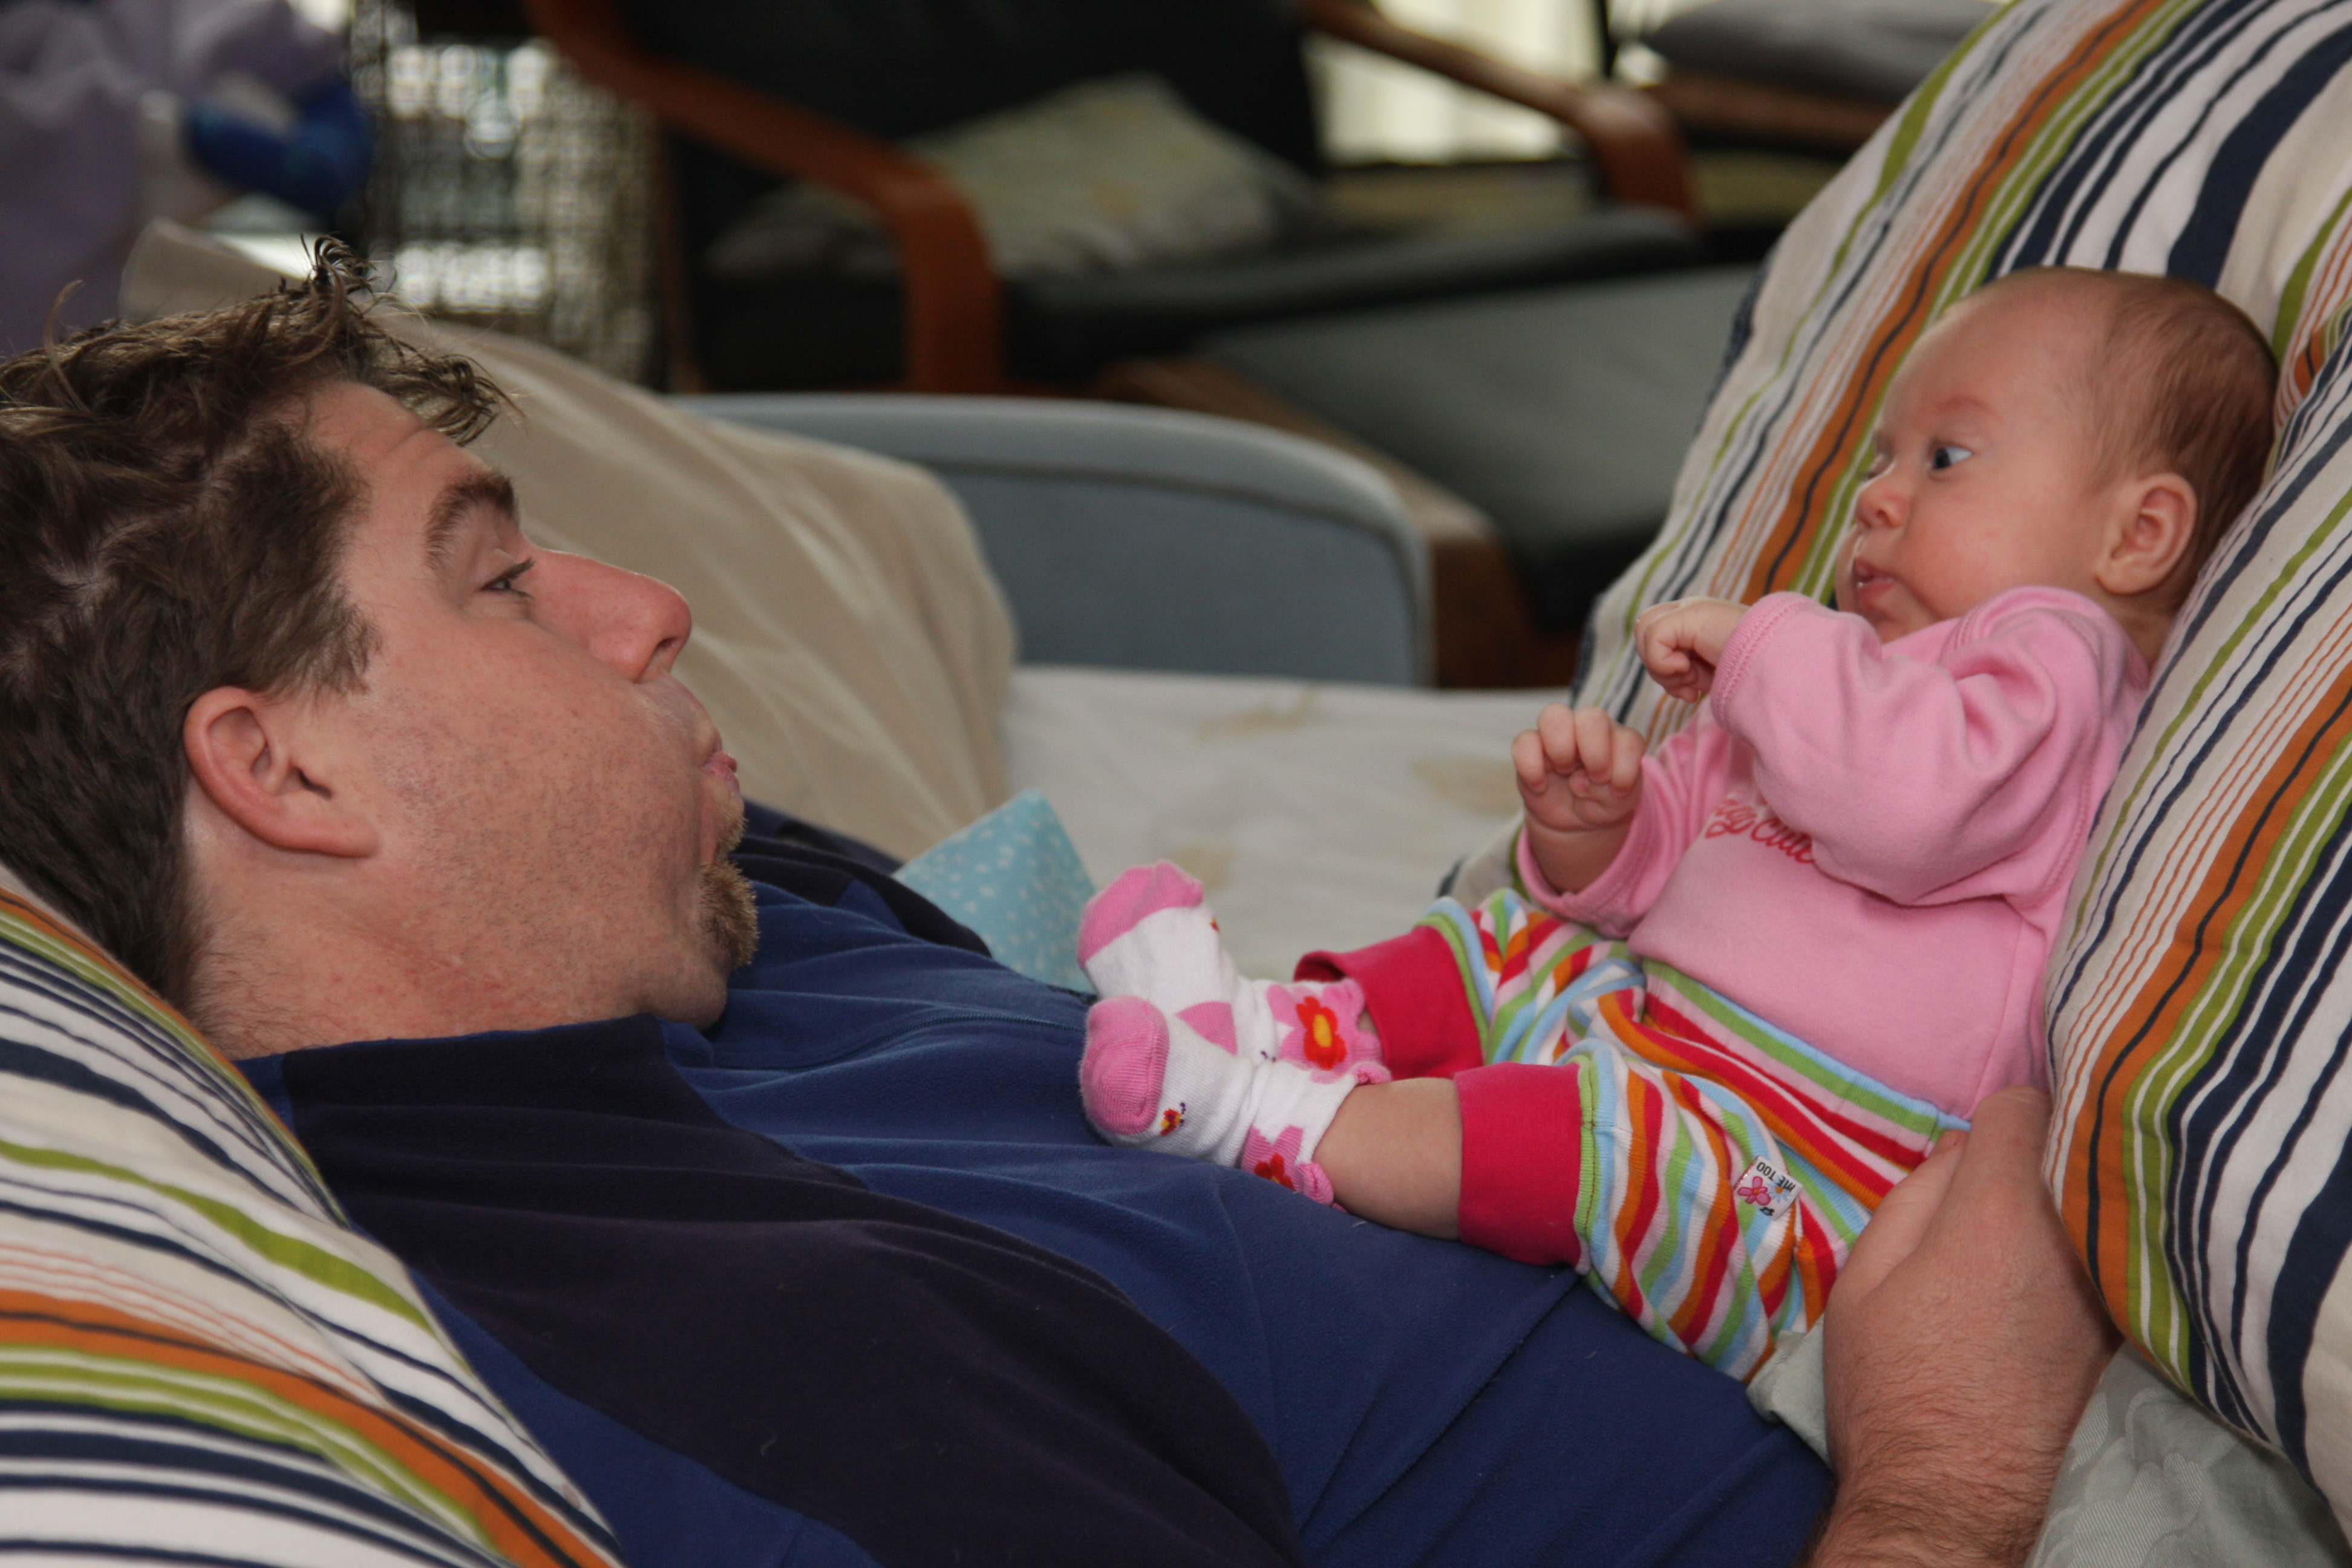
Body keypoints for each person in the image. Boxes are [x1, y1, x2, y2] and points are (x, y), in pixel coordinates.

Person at [0, 255, 2116, 1567]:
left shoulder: (706, 913)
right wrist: (1942, 1487)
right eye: (501, 579)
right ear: (282, 772)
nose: (647, 610)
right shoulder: (757, 1382)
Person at [1074, 266, 2276, 1376]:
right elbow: (1678, 859)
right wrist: (1599, 832)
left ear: (2137, 537)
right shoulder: (1847, 672)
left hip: (1803, 1165)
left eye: (1946, 457)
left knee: (1589, 1146)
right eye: (1880, 458)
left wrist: (1766, 645)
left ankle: (1265, 1121)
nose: (1875, 496)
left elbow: (1913, 807)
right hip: (1655, 1022)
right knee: (1504, 942)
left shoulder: (2057, 668)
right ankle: (1268, 1023)